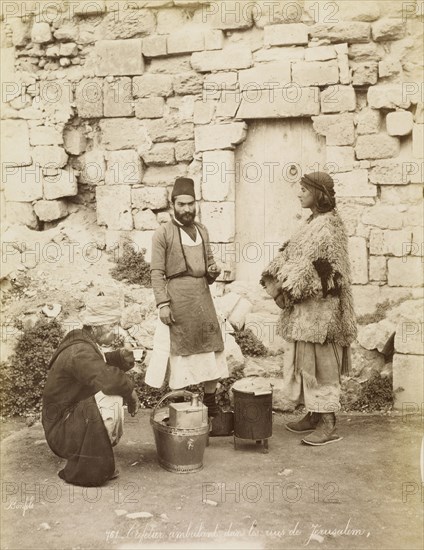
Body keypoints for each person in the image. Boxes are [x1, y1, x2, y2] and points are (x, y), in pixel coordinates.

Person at [261, 171, 357, 446]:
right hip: (305, 311)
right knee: (306, 361)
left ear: (319, 193)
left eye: (304, 189)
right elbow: (290, 254)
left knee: (323, 365)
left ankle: (329, 423)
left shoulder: (330, 226)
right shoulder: (311, 222)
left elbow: (330, 270)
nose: (299, 193)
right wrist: (276, 281)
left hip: (324, 312)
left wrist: (293, 287)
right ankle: (314, 415)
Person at [147, 177, 228, 417]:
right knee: (182, 354)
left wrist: (213, 271)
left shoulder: (202, 230)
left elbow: (209, 263)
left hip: (203, 299)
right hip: (178, 300)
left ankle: (210, 404)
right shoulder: (162, 233)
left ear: (196, 204)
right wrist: (163, 303)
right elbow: (157, 272)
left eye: (190, 204)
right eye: (181, 204)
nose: (186, 209)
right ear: (173, 205)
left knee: (210, 349)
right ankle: (182, 408)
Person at [42, 296, 140, 486]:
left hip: (65, 421)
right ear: (95, 327)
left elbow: (99, 362)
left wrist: (122, 356)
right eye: (111, 326)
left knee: (111, 392)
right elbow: (108, 378)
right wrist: (131, 394)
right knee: (112, 396)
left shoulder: (82, 341)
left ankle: (93, 452)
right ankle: (89, 464)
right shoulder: (80, 351)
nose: (115, 332)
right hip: (61, 433)